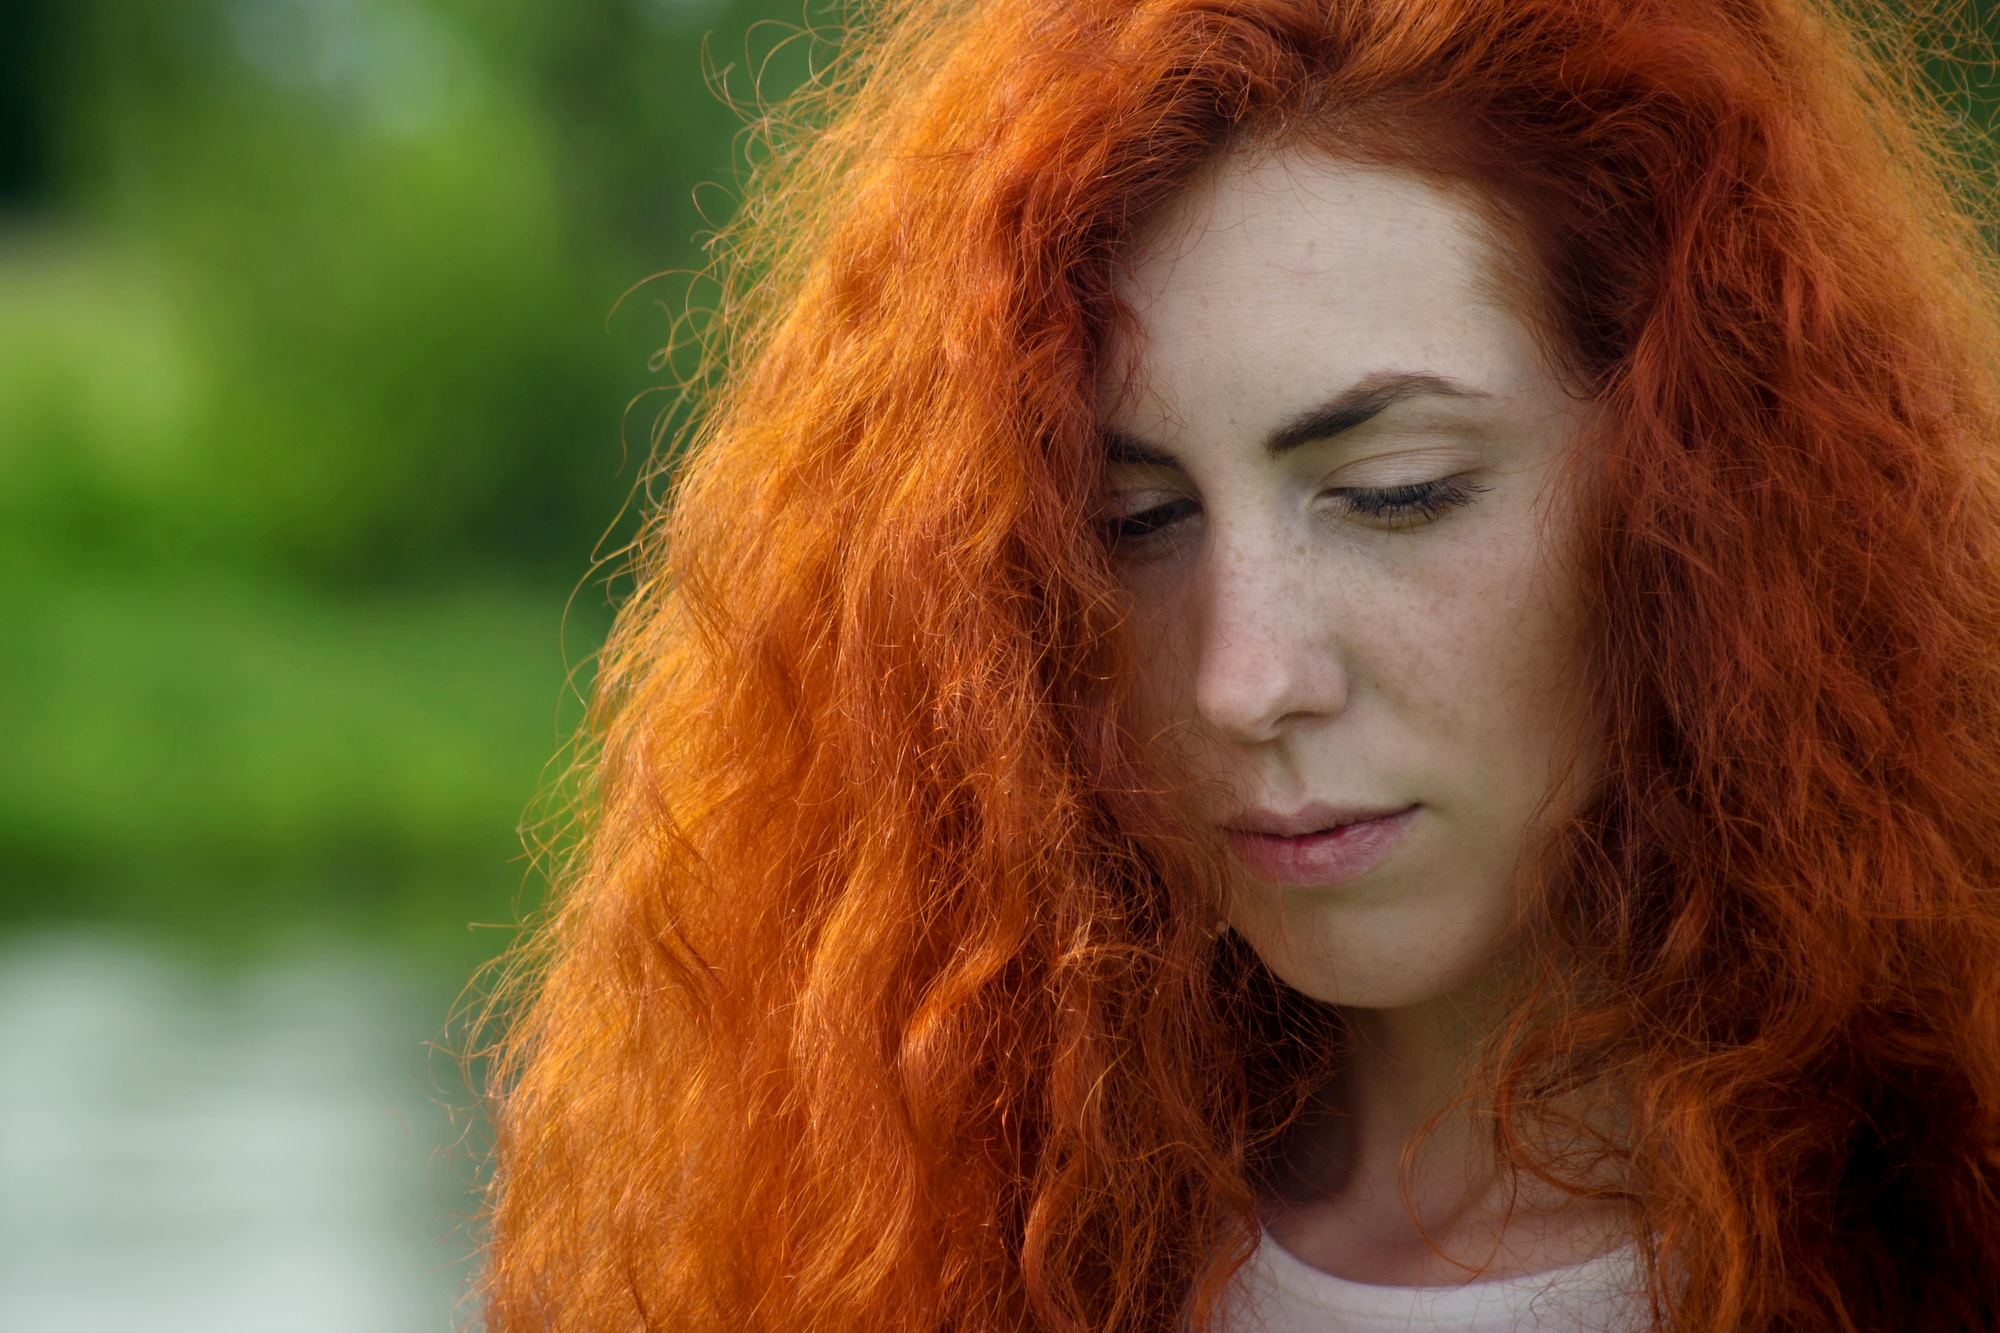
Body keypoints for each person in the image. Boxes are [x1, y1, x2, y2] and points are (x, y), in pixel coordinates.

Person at [478, 0, 2000, 1329]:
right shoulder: (913, 1234)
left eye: (1396, 490)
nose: (1241, 681)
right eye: (1134, 522)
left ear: (1711, 487)